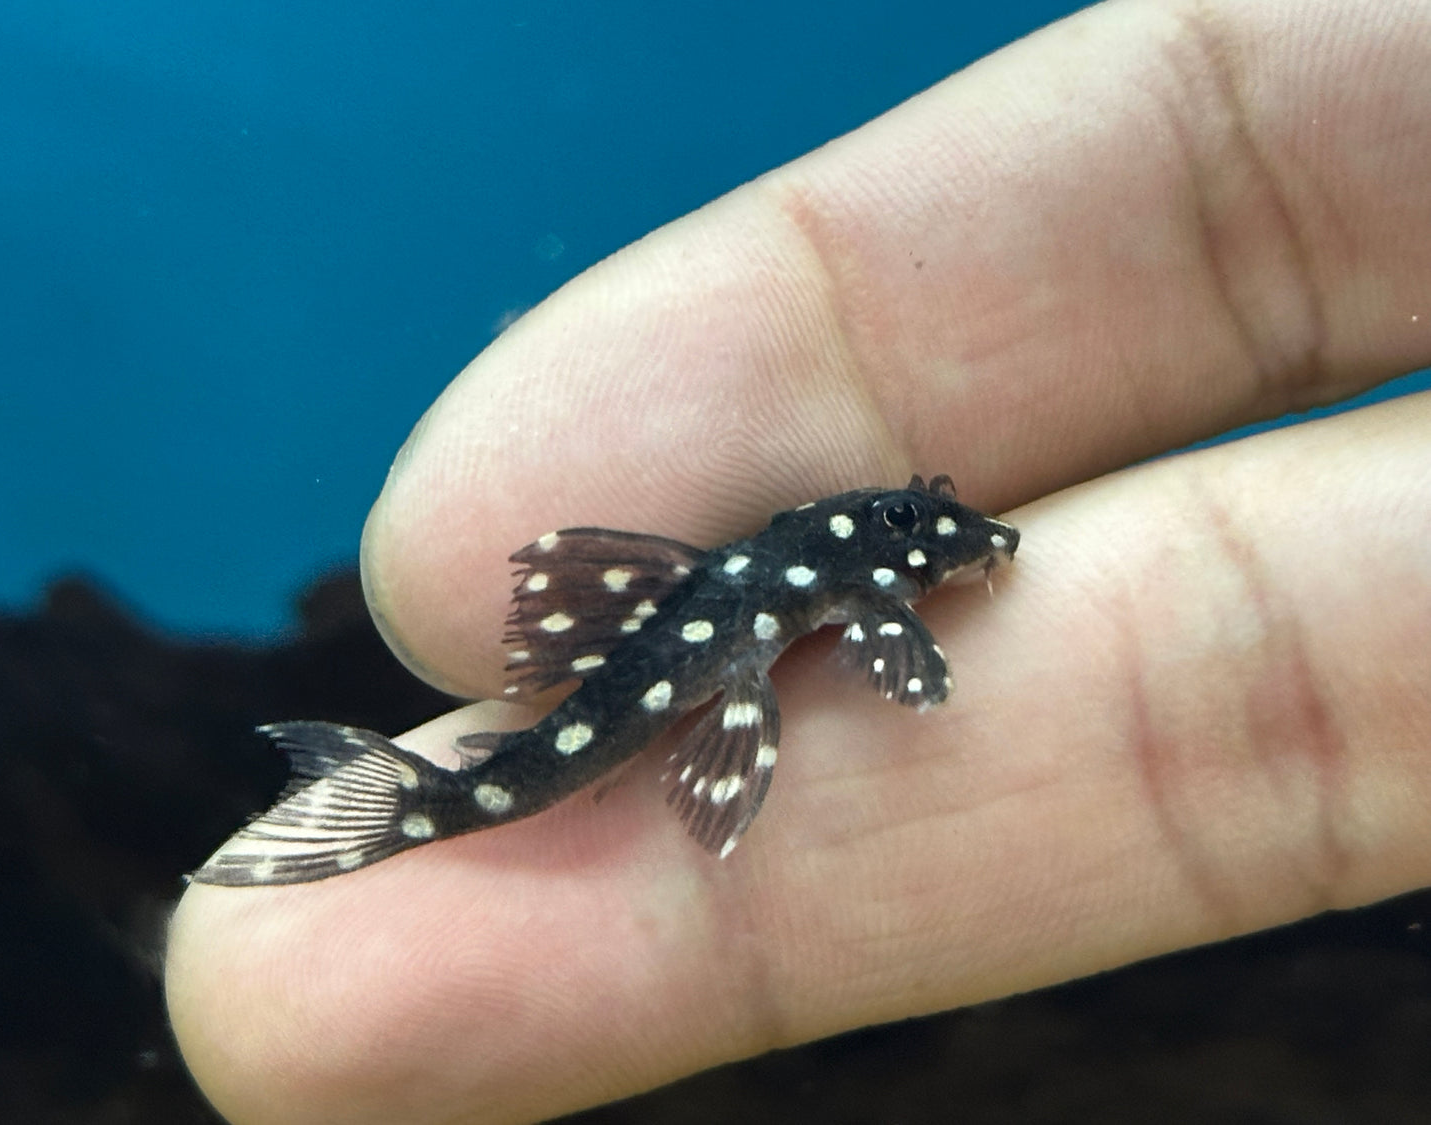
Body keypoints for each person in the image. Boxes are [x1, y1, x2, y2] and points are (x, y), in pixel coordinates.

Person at [164, 0, 1431, 1120]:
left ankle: (393, 807)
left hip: (688, 664)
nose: (944, 541)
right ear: (885, 560)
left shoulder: (847, 562)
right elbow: (913, 675)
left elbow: (891, 643)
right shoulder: (856, 578)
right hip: (642, 693)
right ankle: (397, 808)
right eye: (926, 530)